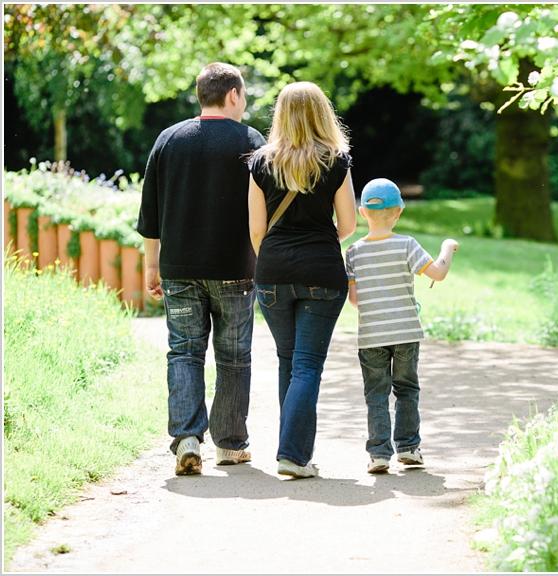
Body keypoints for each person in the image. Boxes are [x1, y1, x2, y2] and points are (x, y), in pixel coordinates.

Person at [137, 62, 266, 476]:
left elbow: (150, 213)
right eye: (243, 96)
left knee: (184, 352)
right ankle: (229, 444)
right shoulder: (250, 141)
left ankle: (188, 438)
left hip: (179, 269)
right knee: (233, 357)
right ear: (233, 95)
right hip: (235, 269)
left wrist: (151, 266)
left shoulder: (169, 139)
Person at [247, 81, 357, 479]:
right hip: (321, 274)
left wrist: (278, 259)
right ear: (322, 113)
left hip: (273, 273)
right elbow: (348, 224)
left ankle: (291, 452)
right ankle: (293, 455)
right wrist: (318, 243)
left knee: (289, 362)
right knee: (306, 366)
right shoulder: (337, 161)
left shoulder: (261, 163)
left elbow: (256, 232)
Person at [345, 178, 459, 474]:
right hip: (406, 331)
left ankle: (379, 454)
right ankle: (408, 448)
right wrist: (447, 248)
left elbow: (354, 300)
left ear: (361, 212)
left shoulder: (354, 253)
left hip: (371, 335)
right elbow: (438, 273)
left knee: (376, 394)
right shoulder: (407, 245)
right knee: (407, 389)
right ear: (398, 212)